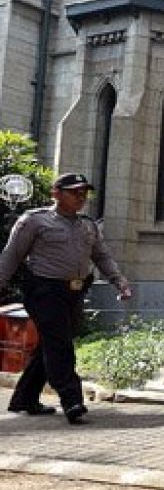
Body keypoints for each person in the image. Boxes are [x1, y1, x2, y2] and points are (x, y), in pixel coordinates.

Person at [0, 173, 132, 424]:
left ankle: (24, 399)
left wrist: (119, 281)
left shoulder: (88, 225)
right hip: (44, 291)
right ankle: (72, 399)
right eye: (74, 192)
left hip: (75, 292)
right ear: (56, 193)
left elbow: (101, 256)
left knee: (52, 344)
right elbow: (11, 255)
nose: (81, 197)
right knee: (59, 344)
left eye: (84, 193)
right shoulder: (35, 221)